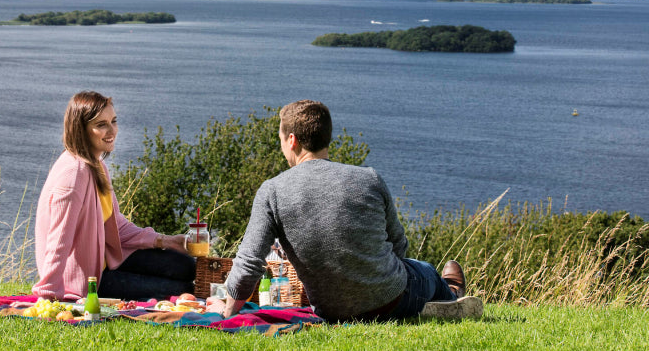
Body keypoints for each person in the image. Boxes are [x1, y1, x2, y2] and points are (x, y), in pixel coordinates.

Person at [208, 99, 482, 321]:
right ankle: (452, 294)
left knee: (420, 271)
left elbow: (248, 261)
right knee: (425, 270)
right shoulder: (369, 178)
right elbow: (399, 245)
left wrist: (228, 311)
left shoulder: (272, 191)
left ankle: (447, 295)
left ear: (292, 140)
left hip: (332, 311)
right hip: (391, 301)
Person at [32, 90, 195, 301]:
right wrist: (48, 294)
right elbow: (58, 241)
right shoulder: (74, 173)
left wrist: (166, 241)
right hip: (89, 281)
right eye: (101, 125)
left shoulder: (96, 165)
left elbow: (115, 226)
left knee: (187, 266)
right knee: (185, 291)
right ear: (81, 130)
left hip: (107, 260)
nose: (112, 131)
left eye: (113, 121)